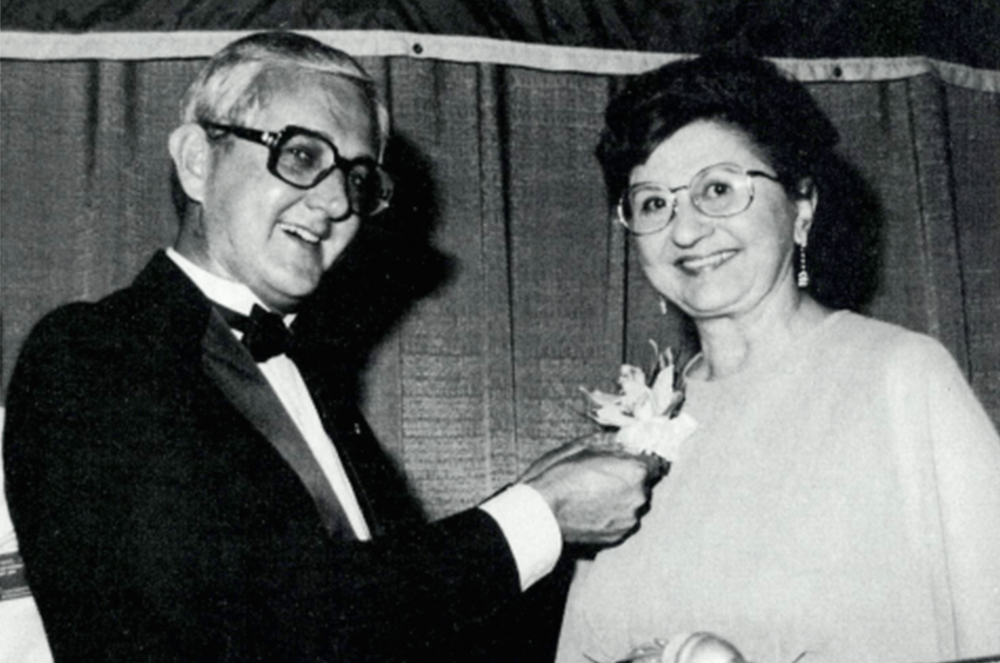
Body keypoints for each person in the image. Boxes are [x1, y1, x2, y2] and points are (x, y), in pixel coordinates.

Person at [2, 31, 663, 662]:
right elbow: (247, 619)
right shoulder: (91, 352)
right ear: (198, 161)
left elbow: (401, 621)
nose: (333, 202)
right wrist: (538, 513)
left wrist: (562, 528)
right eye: (300, 155)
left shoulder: (314, 384)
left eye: (357, 178)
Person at [556, 53, 1000, 663]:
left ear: (802, 206)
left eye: (718, 189)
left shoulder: (903, 378)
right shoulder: (636, 429)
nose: (684, 230)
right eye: (654, 202)